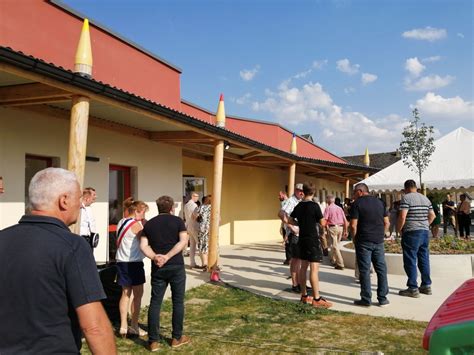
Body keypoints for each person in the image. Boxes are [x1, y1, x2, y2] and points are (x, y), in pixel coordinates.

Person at [0, 168, 116, 354]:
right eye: (78, 198)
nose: (81, 205)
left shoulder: (3, 238)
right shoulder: (73, 246)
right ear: (64, 201)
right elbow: (94, 327)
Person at [141, 195, 190, 351]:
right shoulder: (177, 221)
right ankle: (176, 337)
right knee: (178, 302)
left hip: (158, 268)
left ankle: (153, 341)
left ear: (158, 207)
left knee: (155, 302)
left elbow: (143, 246)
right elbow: (183, 241)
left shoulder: (149, 225)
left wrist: (155, 257)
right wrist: (168, 256)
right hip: (175, 265)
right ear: (171, 208)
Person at [283, 182, 332, 308]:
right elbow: (322, 223)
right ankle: (316, 298)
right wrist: (326, 219)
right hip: (312, 240)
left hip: (302, 239)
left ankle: (304, 296)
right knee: (314, 269)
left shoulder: (299, 206)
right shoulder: (315, 206)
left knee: (303, 268)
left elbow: (289, 219)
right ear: (314, 192)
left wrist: (299, 224)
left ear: (303, 192)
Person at [350, 183, 390, 307]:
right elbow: (387, 223)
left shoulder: (357, 204)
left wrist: (354, 238)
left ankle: (366, 299)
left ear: (360, 191)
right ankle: (383, 298)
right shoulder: (380, 202)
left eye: (354, 192)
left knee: (365, 270)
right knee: (381, 269)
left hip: (363, 240)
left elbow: (353, 225)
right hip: (378, 241)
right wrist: (381, 234)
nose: (353, 195)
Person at [116, 198, 149, 338]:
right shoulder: (136, 225)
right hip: (134, 263)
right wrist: (145, 226)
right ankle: (134, 325)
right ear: (136, 211)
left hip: (121, 261)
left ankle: (123, 325)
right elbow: (145, 241)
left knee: (125, 294)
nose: (143, 216)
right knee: (138, 295)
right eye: (143, 213)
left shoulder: (121, 221)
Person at [397, 180, 435, 298]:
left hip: (411, 232)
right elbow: (432, 215)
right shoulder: (425, 199)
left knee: (410, 259)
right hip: (424, 232)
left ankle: (413, 288)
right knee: (424, 259)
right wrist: (425, 224)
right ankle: (426, 285)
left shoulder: (406, 198)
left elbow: (403, 216)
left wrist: (399, 229)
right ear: (415, 187)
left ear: (406, 188)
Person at [278, 183, 304, 293]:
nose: (301, 192)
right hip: (294, 234)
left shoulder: (298, 201)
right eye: (299, 190)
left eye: (303, 191)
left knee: (298, 260)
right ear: (295, 190)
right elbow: (282, 214)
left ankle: (299, 283)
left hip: (299, 233)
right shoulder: (291, 201)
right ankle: (295, 284)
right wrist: (291, 226)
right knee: (295, 260)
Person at [323, 194, 348, 270]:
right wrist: (345, 230)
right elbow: (345, 220)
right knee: (336, 245)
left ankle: (340, 263)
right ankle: (333, 260)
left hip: (333, 227)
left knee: (334, 246)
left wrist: (324, 229)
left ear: (328, 200)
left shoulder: (328, 208)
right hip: (340, 227)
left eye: (326, 199)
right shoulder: (339, 208)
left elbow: (325, 220)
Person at [184, 192, 201, 269]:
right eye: (196, 196)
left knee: (192, 246)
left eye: (198, 196)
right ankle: (205, 263)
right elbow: (196, 216)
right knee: (200, 245)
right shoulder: (194, 205)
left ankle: (192, 263)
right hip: (194, 226)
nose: (197, 197)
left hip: (188, 226)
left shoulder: (186, 205)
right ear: (192, 196)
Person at [194, 195, 212, 270]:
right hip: (211, 229)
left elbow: (194, 216)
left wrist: (201, 221)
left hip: (202, 229)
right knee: (213, 246)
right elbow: (219, 219)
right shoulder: (213, 207)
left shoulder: (200, 207)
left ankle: (205, 264)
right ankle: (214, 265)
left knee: (203, 245)